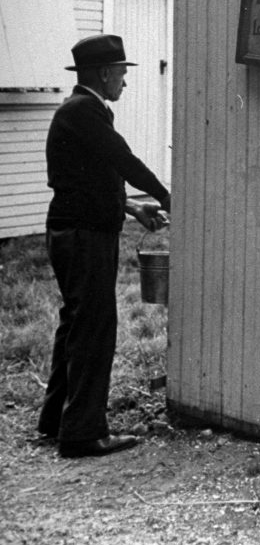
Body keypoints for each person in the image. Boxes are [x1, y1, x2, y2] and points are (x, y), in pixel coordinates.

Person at [37, 34, 171, 458]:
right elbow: (123, 160)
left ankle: (57, 419)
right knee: (95, 328)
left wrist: (132, 209)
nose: (125, 84)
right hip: (84, 236)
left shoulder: (81, 111)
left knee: (76, 324)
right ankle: (82, 433)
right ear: (105, 73)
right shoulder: (85, 110)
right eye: (122, 74)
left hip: (73, 231)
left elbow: (91, 178)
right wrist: (166, 197)